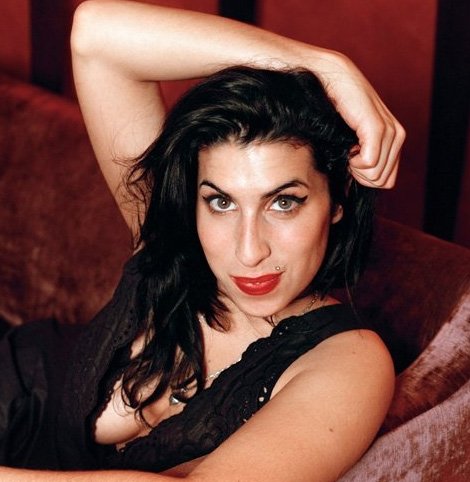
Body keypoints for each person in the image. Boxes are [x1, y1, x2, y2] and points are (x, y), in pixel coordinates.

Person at [0, 1, 405, 480]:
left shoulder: (350, 361)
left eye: (283, 202)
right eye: (221, 202)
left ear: (337, 201)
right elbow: (97, 34)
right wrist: (323, 67)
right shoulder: (172, 237)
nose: (248, 250)